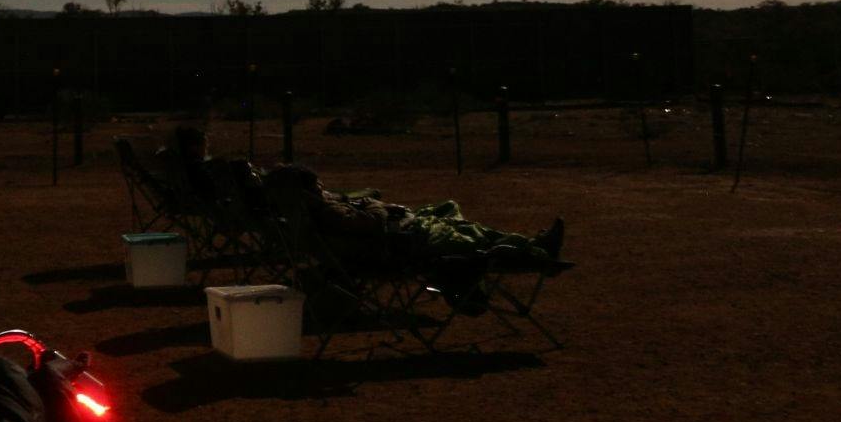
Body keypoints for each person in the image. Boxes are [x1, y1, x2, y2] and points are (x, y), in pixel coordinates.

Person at [155, 125, 564, 269]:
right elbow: (366, 223)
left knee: (457, 224)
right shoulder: (323, 213)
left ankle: (529, 245)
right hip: (398, 241)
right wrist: (370, 204)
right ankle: (530, 250)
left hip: (391, 230)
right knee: (464, 236)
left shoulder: (299, 211)